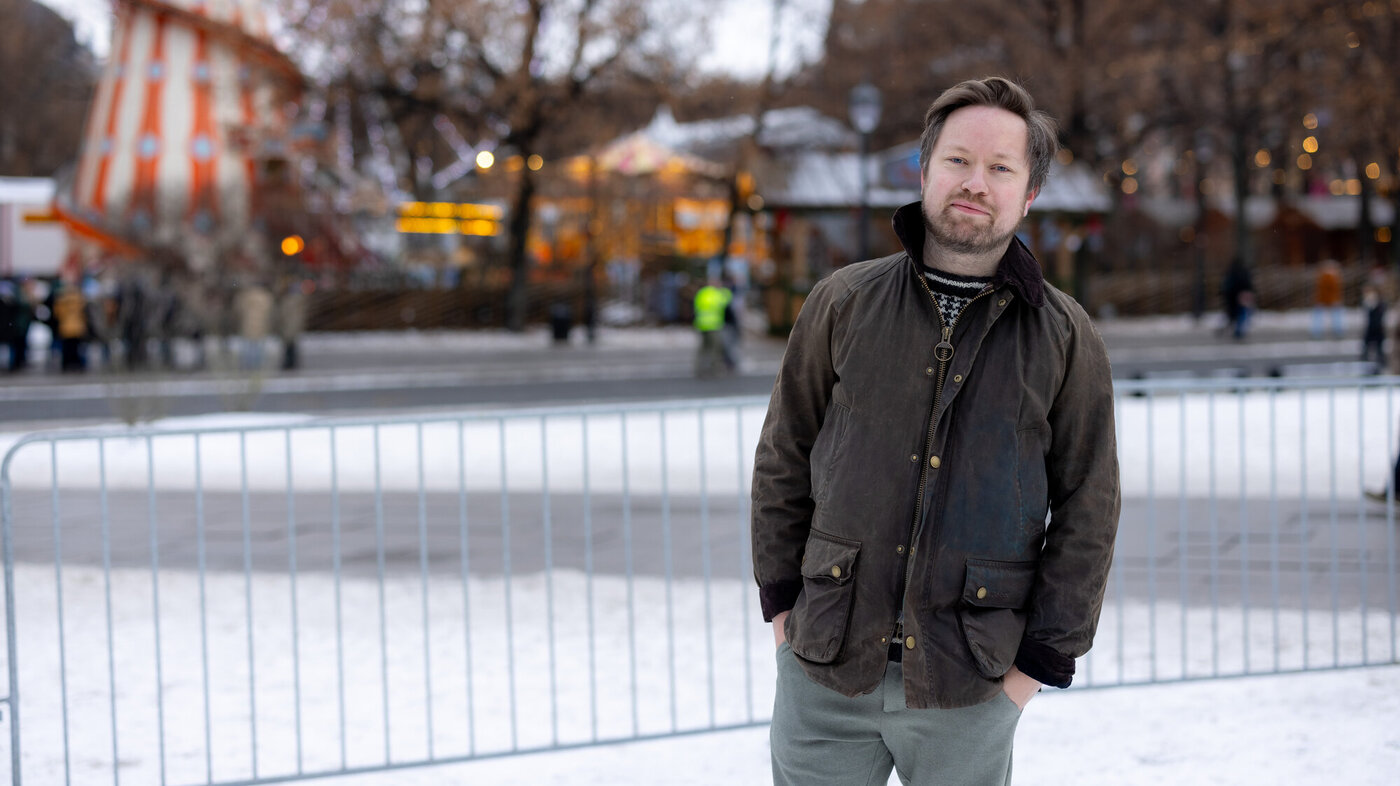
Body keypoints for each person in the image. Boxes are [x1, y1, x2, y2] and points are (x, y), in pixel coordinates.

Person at [751, 77, 1120, 786]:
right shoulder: (843, 302)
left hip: (970, 683)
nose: (975, 182)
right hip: (825, 667)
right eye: (958, 160)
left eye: (1000, 168)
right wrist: (782, 606)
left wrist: (1037, 666)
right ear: (924, 171)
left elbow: (1089, 506)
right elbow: (783, 455)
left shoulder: (1067, 337)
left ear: (1028, 193)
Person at [692, 274, 733, 377]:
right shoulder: (716, 294)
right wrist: (724, 289)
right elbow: (727, 300)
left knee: (703, 348)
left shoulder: (701, 293)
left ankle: (699, 368)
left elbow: (696, 307)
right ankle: (714, 369)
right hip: (714, 325)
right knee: (715, 348)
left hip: (701, 324)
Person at [1219, 256, 1255, 340]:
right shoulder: (1243, 271)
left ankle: (1236, 329)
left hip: (1234, 295)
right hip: (1243, 294)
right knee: (1242, 313)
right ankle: (1238, 330)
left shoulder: (1232, 272)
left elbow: (1227, 284)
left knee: (1235, 313)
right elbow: (1248, 283)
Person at [1312, 259, 1344, 339]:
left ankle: (1317, 333)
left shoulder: (1323, 277)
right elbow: (1331, 290)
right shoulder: (1331, 277)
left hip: (1323, 300)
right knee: (1336, 316)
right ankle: (1338, 332)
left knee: (1319, 317)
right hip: (1331, 300)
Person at [1360, 282, 1386, 369]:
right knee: (1366, 347)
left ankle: (1381, 363)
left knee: (1379, 349)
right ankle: (1364, 362)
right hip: (1370, 329)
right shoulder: (1367, 303)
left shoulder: (1379, 303)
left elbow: (1379, 315)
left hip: (1377, 329)